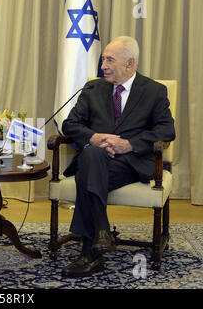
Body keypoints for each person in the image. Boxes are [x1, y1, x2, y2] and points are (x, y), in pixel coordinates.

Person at [61, 36, 176, 277]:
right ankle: (101, 234)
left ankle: (89, 252)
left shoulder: (154, 91)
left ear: (130, 63)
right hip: (97, 161)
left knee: (87, 173)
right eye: (103, 59)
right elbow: (69, 124)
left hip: (130, 163)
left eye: (109, 60)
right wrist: (93, 137)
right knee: (93, 154)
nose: (103, 65)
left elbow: (167, 130)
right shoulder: (93, 89)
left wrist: (128, 144)